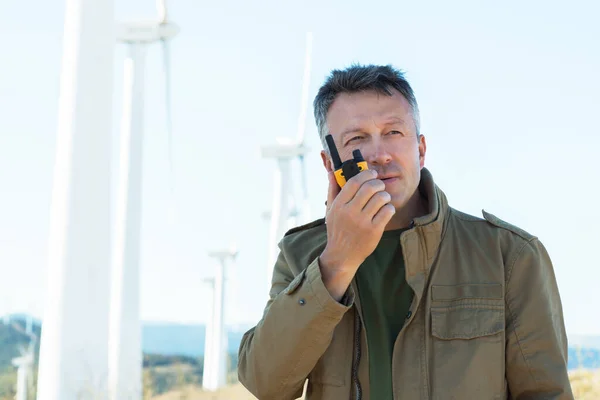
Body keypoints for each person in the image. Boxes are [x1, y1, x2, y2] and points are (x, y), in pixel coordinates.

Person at [237, 64, 573, 400]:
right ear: (330, 164)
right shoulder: (300, 254)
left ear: (421, 150)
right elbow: (267, 383)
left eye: (393, 133)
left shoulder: (507, 255)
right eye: (356, 139)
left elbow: (546, 393)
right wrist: (335, 263)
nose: (379, 154)